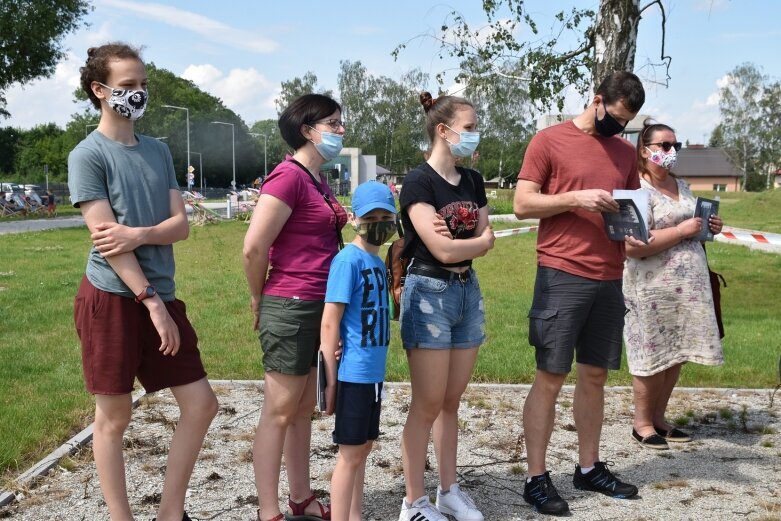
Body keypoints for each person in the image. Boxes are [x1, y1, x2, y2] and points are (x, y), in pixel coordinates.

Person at [67, 43, 218, 521]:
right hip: (113, 298)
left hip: (159, 295)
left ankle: (170, 513)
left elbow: (181, 225)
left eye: (143, 85)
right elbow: (108, 243)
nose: (137, 94)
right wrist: (150, 300)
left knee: (201, 405)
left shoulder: (157, 151)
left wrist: (140, 233)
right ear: (100, 90)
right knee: (114, 417)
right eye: (127, 86)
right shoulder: (87, 155)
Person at [513, 71, 647, 516]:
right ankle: (536, 477)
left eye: (627, 122)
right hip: (562, 272)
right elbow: (522, 204)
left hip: (610, 275)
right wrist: (576, 198)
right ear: (596, 101)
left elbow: (625, 212)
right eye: (616, 117)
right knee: (550, 376)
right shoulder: (549, 140)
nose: (620, 127)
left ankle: (588, 468)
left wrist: (637, 231)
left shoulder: (625, 153)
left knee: (595, 376)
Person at [243, 93, 348, 521]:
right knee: (280, 410)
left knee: (304, 407)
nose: (341, 130)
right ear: (308, 130)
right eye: (333, 124)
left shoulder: (316, 178)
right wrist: (257, 297)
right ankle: (268, 511)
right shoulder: (287, 177)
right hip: (291, 303)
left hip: (317, 305)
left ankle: (300, 497)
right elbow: (254, 248)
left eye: (340, 123)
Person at [397, 92, 495, 521]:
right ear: (444, 130)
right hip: (429, 293)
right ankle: (413, 503)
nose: (475, 136)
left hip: (466, 292)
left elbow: (481, 238)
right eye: (469, 127)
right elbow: (440, 248)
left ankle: (448, 491)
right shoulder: (418, 182)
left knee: (451, 400)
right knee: (427, 403)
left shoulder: (472, 180)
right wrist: (472, 242)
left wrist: (466, 243)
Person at [624, 120, 724, 450]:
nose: (671, 152)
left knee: (675, 355)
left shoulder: (682, 185)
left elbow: (694, 227)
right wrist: (682, 231)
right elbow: (632, 245)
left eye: (675, 146)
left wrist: (710, 226)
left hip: (687, 289)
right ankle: (641, 424)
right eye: (665, 146)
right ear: (645, 150)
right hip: (651, 288)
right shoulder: (636, 189)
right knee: (650, 356)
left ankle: (659, 418)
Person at [320, 180, 398, 521]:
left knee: (362, 449)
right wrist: (331, 380)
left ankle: (355, 515)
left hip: (374, 375)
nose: (379, 223)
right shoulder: (347, 260)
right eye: (371, 216)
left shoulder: (379, 263)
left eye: (386, 216)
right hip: (352, 374)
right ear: (354, 218)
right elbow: (329, 321)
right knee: (349, 454)